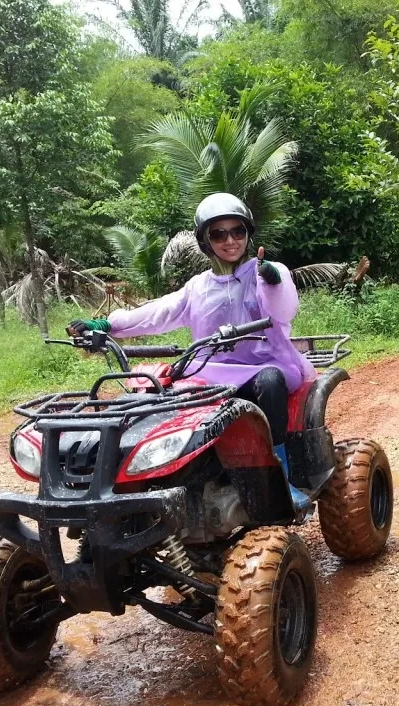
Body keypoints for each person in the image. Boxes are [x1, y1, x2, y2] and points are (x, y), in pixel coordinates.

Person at [67, 192, 316, 509]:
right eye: (219, 234)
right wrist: (107, 325)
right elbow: (157, 312)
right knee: (156, 397)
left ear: (248, 234)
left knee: (271, 383)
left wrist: (271, 280)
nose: (230, 240)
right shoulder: (198, 287)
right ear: (205, 241)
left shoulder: (264, 271)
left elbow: (283, 309)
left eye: (237, 231)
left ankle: (282, 476)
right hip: (208, 370)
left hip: (263, 364)